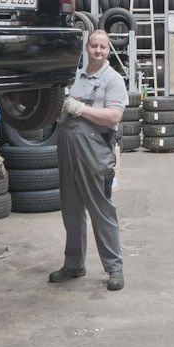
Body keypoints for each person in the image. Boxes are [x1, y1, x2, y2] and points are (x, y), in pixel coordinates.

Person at [49, 28, 127, 292]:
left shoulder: (113, 79)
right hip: (68, 148)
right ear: (86, 48)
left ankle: (114, 269)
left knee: (102, 211)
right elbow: (63, 111)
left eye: (103, 47)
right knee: (70, 210)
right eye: (94, 46)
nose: (98, 51)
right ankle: (73, 264)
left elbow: (114, 117)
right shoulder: (76, 78)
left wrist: (80, 109)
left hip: (95, 152)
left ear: (108, 50)